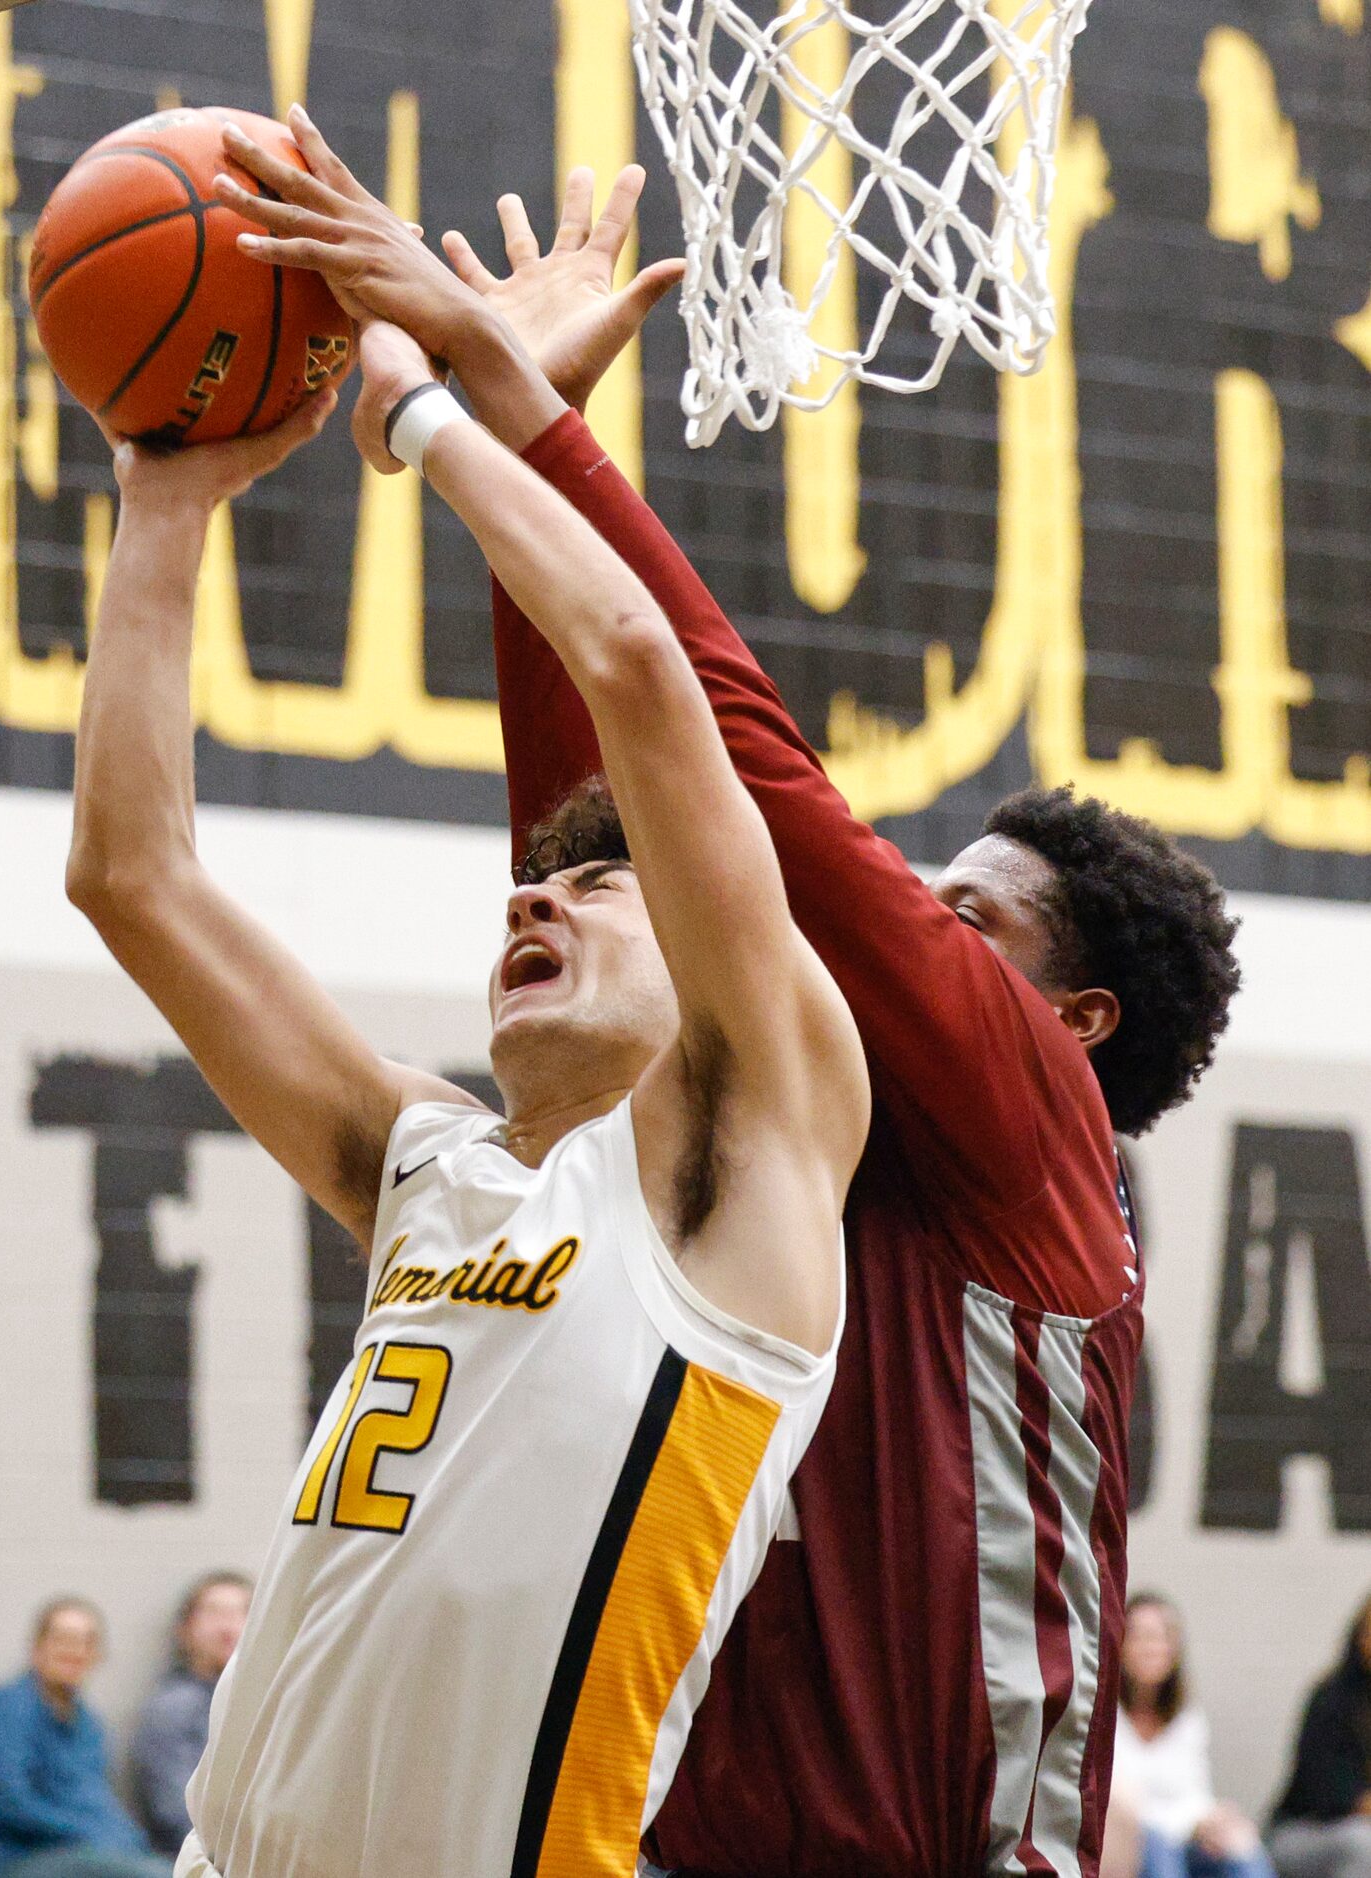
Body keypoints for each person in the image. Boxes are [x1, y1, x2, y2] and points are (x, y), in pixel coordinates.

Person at [220, 108, 1244, 1878]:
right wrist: (528, 468)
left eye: (969, 913)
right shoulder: (755, 1151)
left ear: (1071, 1018)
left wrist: (507, 421)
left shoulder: (1031, 1128)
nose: (912, 915)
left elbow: (736, 774)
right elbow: (623, 835)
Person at [65, 243, 867, 1874]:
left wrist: (434, 407)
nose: (537, 892)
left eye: (598, 882)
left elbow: (641, 675)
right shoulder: (426, 1164)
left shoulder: (741, 1187)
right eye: (536, 876)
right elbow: (129, 876)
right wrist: (164, 495)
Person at [0, 1599, 166, 1878]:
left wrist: (125, 1838)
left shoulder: (89, 1725)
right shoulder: (9, 1709)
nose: (75, 1650)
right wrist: (90, 1832)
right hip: (19, 1859)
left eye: (87, 1642)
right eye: (64, 1639)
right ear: (37, 1647)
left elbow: (97, 1799)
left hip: (87, 1854)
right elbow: (5, 1802)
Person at [1115, 1592, 1274, 1878]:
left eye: (1160, 1637)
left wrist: (1214, 1820)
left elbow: (1194, 1793)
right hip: (1132, 1843)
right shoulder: (1104, 1717)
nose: (1150, 1647)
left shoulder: (1188, 1717)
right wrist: (1190, 1824)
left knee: (1242, 1845)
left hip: (1186, 1839)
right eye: (1139, 1636)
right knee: (1155, 1844)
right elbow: (1124, 1805)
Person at [129, 1576, 252, 1857]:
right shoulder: (174, 1707)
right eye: (214, 1613)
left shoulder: (264, 1704)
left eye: (240, 1613)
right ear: (184, 1629)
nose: (228, 1627)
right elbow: (176, 1813)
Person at [1268, 1593, 1371, 1878]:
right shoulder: (1332, 1700)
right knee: (1364, 1843)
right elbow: (1336, 1795)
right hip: (1302, 1833)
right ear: (1361, 1637)